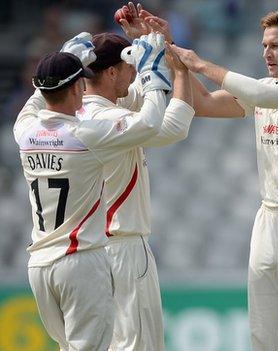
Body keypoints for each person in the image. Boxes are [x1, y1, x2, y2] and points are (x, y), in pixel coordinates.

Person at [154, 4, 278, 350]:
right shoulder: (265, 86)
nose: (266, 53)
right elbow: (205, 103)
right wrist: (172, 52)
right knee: (265, 336)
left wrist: (200, 63)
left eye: (275, 45)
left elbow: (260, 95)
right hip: (269, 219)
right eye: (263, 46)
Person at [13, 32, 171, 350]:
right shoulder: (86, 134)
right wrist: (152, 69)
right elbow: (151, 123)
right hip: (80, 262)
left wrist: (62, 61)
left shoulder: (25, 131)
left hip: (40, 265)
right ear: (76, 88)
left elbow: (33, 104)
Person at [79, 11, 194, 350]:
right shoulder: (112, 118)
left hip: (87, 251)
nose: (134, 74)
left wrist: (146, 43)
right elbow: (175, 125)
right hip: (123, 248)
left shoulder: (77, 112)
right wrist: (177, 66)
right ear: (112, 71)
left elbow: (141, 99)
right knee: (138, 345)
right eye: (128, 67)